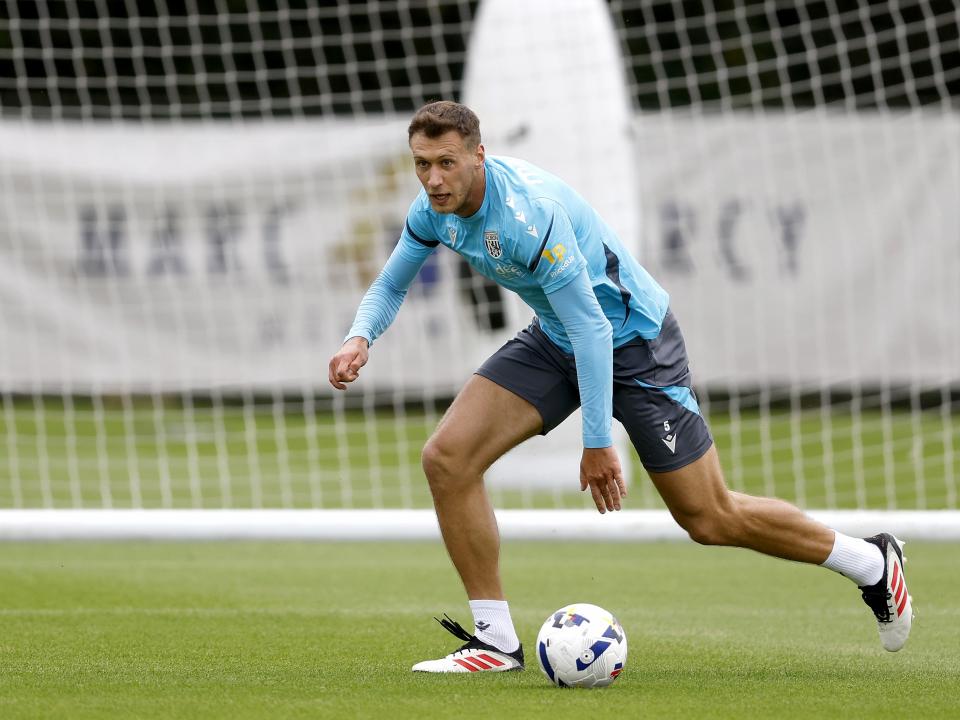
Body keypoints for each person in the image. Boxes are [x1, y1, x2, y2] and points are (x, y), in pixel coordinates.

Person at [327, 101, 913, 673]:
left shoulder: (530, 214)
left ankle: (869, 561)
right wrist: (360, 337)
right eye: (422, 164)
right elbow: (390, 285)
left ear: (480, 155)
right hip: (558, 335)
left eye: (447, 162)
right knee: (447, 459)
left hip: (636, 342)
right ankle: (496, 641)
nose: (433, 179)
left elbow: (594, 327)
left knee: (709, 518)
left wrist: (598, 439)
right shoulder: (433, 211)